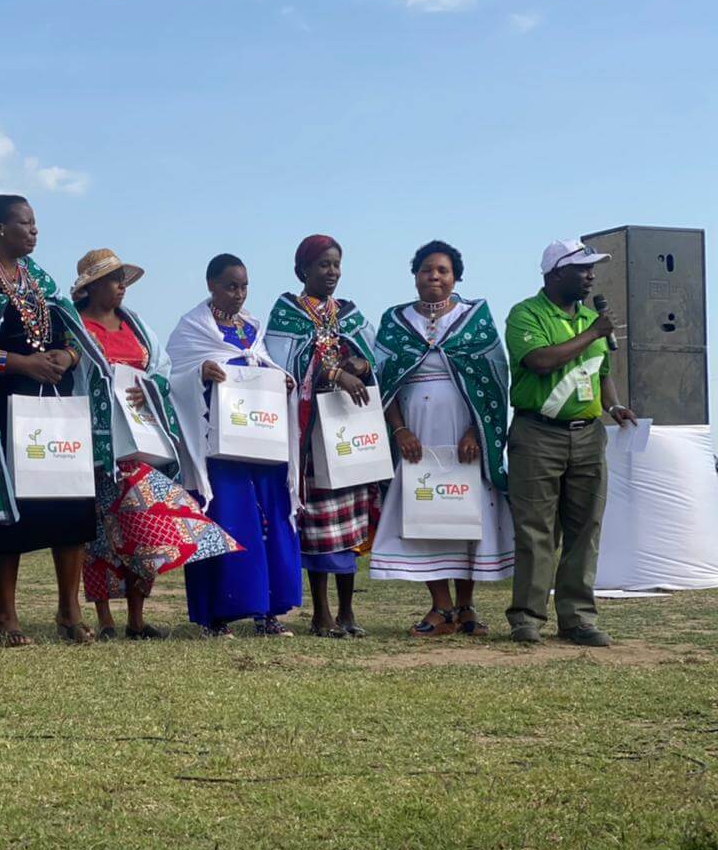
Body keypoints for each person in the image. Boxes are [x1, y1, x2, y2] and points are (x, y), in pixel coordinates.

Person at [0, 194, 101, 645]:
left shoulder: (41, 279)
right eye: (25, 223)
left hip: (54, 405)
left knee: (70, 503)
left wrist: (68, 357)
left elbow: (75, 333)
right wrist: (20, 363)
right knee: (11, 511)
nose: (34, 230)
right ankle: (5, 614)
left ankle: (69, 611)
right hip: (4, 407)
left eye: (34, 223)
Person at [73, 249, 240, 640]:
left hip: (141, 438)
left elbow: (163, 370)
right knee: (99, 534)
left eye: (123, 280)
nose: (121, 288)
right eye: (114, 281)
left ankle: (136, 617)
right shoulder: (76, 328)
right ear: (92, 286)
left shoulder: (137, 325)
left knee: (143, 526)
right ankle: (105, 619)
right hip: (98, 441)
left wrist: (148, 388)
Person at [370, 241, 514, 635]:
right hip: (415, 434)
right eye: (426, 270)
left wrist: (475, 430)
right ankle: (441, 607)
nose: (434, 276)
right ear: (415, 276)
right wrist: (399, 430)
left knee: (467, 514)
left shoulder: (474, 318)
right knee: (425, 511)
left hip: (466, 435)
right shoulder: (395, 321)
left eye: (443, 271)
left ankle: (466, 608)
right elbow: (385, 383)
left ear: (455, 277)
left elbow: (492, 380)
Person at [504, 238, 637, 646]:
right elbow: (540, 361)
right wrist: (594, 331)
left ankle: (577, 618)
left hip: (588, 435)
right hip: (537, 433)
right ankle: (527, 618)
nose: (591, 276)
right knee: (536, 529)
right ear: (555, 273)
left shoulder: (592, 319)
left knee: (585, 528)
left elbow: (601, 373)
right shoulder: (526, 314)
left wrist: (614, 406)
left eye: (592, 269)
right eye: (582, 269)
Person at [166, 254, 301, 638]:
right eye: (230, 286)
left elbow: (266, 366)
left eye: (243, 286)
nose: (239, 294)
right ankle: (216, 616)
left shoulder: (254, 329)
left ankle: (268, 611)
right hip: (218, 448)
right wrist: (199, 373)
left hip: (261, 441)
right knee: (225, 521)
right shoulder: (192, 329)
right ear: (211, 285)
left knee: (269, 520)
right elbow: (173, 377)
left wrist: (281, 380)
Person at [266, 235, 382, 638]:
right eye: (323, 265)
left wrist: (360, 364)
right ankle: (321, 613)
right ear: (302, 271)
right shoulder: (287, 314)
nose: (332, 272)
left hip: (349, 429)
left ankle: (348, 610)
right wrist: (331, 372)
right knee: (317, 526)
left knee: (350, 522)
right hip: (311, 435)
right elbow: (282, 366)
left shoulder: (349, 313)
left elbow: (375, 356)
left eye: (336, 264)